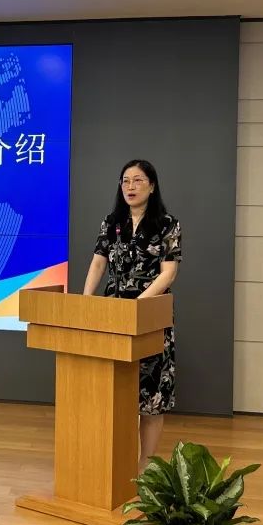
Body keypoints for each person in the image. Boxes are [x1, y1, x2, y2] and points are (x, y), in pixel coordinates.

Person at [82, 159, 181, 472]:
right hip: (112, 317)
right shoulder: (112, 222)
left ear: (151, 186)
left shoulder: (167, 224)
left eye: (138, 180)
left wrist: (137, 305)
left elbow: (168, 273)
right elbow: (98, 263)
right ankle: (113, 460)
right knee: (114, 391)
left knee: (151, 398)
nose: (130, 187)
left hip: (149, 316)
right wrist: (86, 301)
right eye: (125, 181)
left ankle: (145, 465)